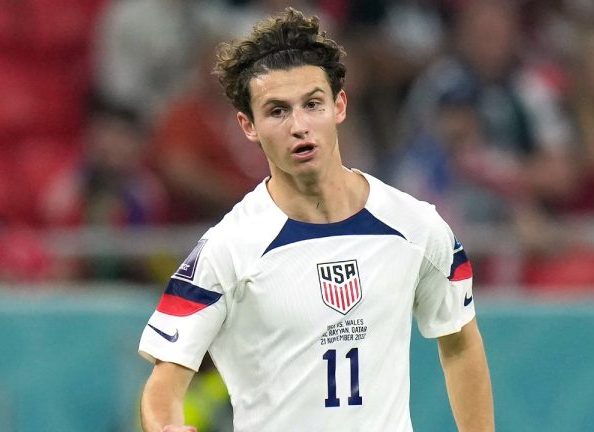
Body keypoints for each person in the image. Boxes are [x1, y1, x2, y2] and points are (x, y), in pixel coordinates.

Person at [138, 8, 494, 432]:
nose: (299, 126)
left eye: (312, 104)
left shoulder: (415, 226)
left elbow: (459, 343)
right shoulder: (230, 246)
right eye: (277, 111)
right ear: (248, 126)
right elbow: (165, 379)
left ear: (338, 105)